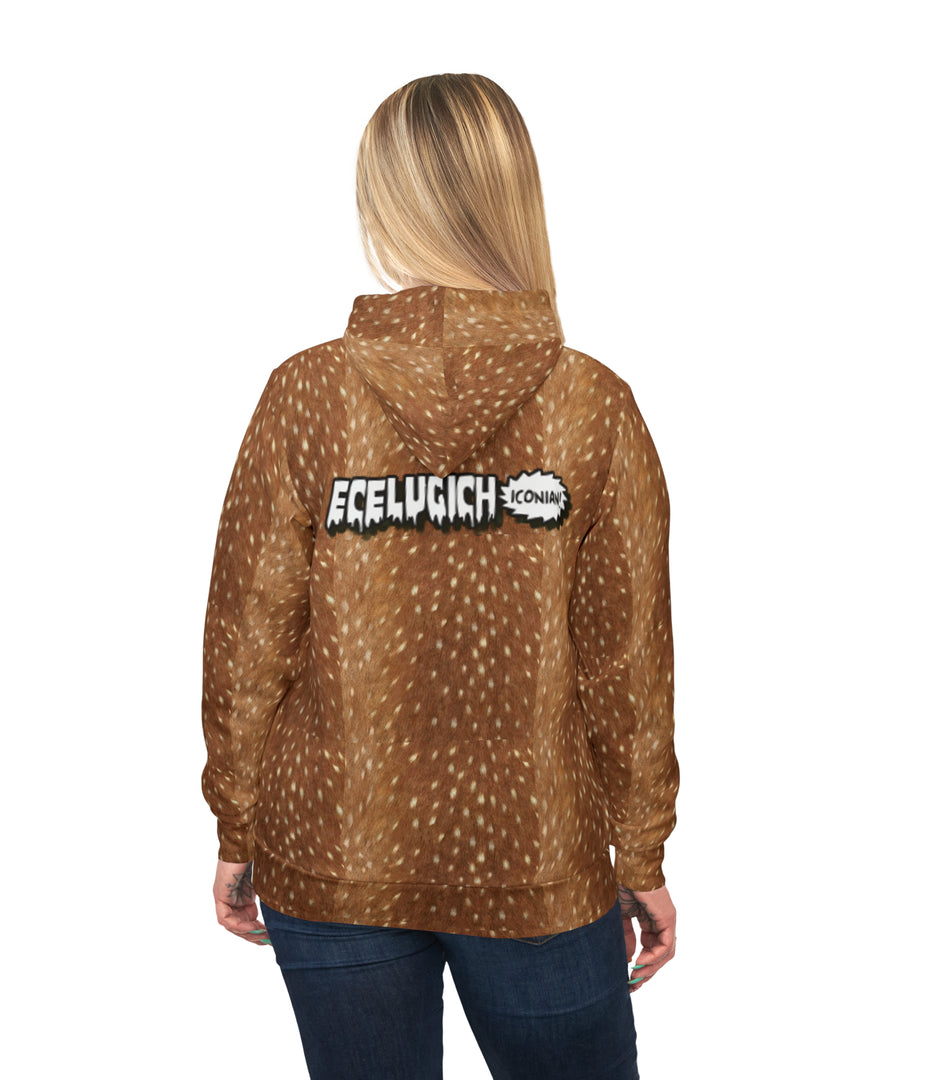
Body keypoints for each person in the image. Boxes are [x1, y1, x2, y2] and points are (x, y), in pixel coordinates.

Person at [201, 72, 680, 1080]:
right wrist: (641, 853)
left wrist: (238, 826)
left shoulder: (306, 395)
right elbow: (628, 663)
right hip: (536, 857)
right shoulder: (592, 404)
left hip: (334, 851)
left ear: (384, 202)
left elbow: (248, 640)